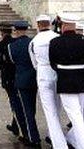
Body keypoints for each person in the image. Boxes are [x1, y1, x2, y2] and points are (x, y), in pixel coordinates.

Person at [49, 15, 84, 149]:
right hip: (82, 82)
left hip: (66, 83)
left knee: (76, 118)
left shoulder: (55, 42)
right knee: (77, 114)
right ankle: (73, 139)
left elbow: (53, 64)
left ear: (63, 26)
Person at [29, 15, 67, 149]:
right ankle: (57, 136)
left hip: (43, 74)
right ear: (49, 24)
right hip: (57, 73)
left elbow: (34, 63)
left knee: (49, 110)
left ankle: (58, 142)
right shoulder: (57, 37)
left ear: (38, 25)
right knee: (58, 107)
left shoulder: (33, 41)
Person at [9, 21, 41, 147]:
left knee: (26, 109)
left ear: (16, 30)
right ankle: (31, 134)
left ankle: (33, 137)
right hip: (34, 79)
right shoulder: (32, 42)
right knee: (31, 108)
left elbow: (13, 61)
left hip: (22, 81)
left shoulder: (12, 46)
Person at [0, 22, 22, 139]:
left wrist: (5, 70)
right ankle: (15, 124)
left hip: (7, 78)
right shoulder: (16, 43)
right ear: (11, 31)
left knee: (13, 102)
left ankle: (17, 126)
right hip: (18, 75)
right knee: (18, 100)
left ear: (2, 32)